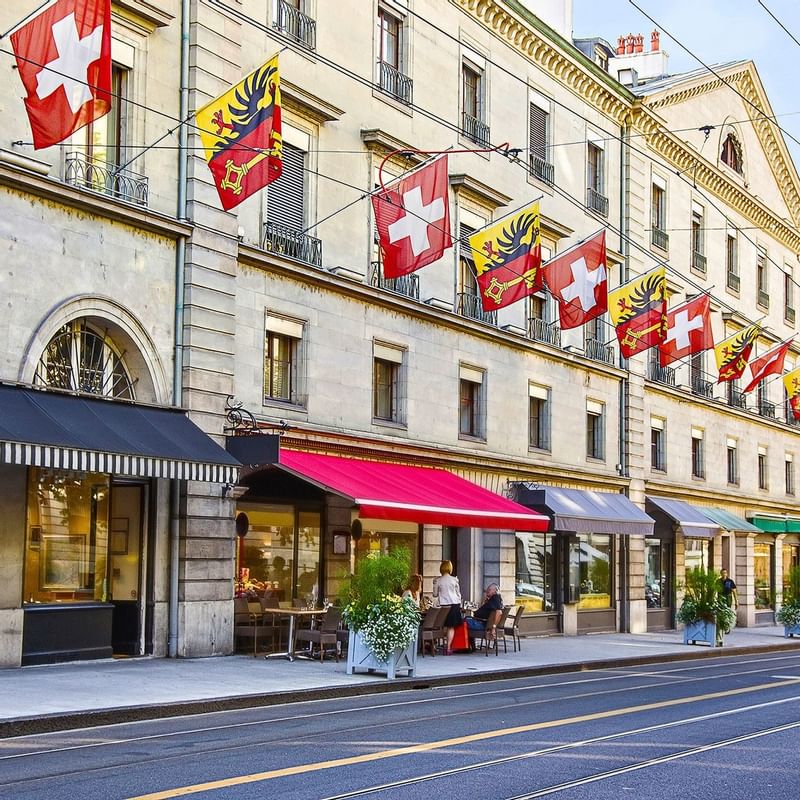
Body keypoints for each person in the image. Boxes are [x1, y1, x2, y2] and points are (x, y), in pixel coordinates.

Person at [433, 560, 462, 654]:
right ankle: (449, 647)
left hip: (444, 605)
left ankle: (439, 644)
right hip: (454, 604)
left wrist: (434, 584)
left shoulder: (438, 580)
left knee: (441, 626)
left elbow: (435, 594)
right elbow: (458, 594)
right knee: (451, 627)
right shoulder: (455, 579)